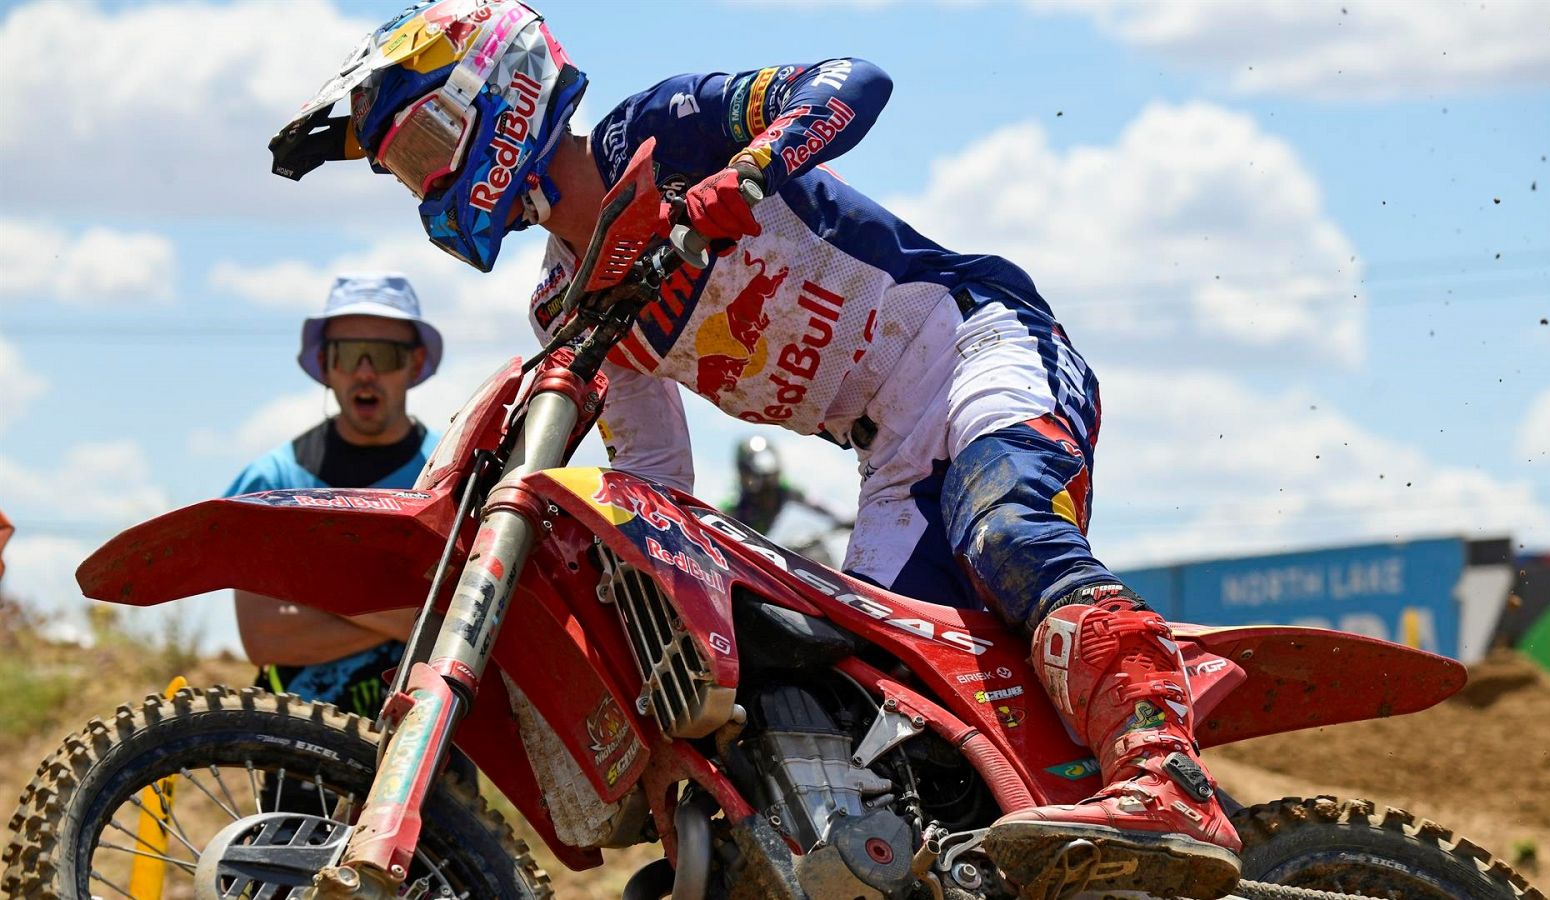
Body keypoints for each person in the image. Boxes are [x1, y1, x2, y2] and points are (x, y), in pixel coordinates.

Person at [268, 4, 1239, 895]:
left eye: (425, 146)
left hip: (975, 347)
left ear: (497, 95)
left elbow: (852, 83)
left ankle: (1166, 778)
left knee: (1006, 531)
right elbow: (654, 480)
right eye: (404, 169)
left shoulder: (652, 136)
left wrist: (745, 175)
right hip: (892, 458)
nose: (426, 181)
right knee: (893, 724)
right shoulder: (573, 297)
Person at [227, 273, 443, 721]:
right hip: (294, 756)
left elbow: (462, 628)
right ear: (326, 364)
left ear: (415, 362)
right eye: (347, 354)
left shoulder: (450, 475)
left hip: (427, 758)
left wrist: (307, 592)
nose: (365, 371)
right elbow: (263, 638)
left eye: (384, 355)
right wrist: (405, 616)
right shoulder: (271, 482)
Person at [725, 435, 850, 565]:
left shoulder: (783, 489)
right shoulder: (735, 502)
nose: (768, 495)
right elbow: (713, 518)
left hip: (764, 556)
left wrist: (848, 519)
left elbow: (818, 504)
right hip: (736, 560)